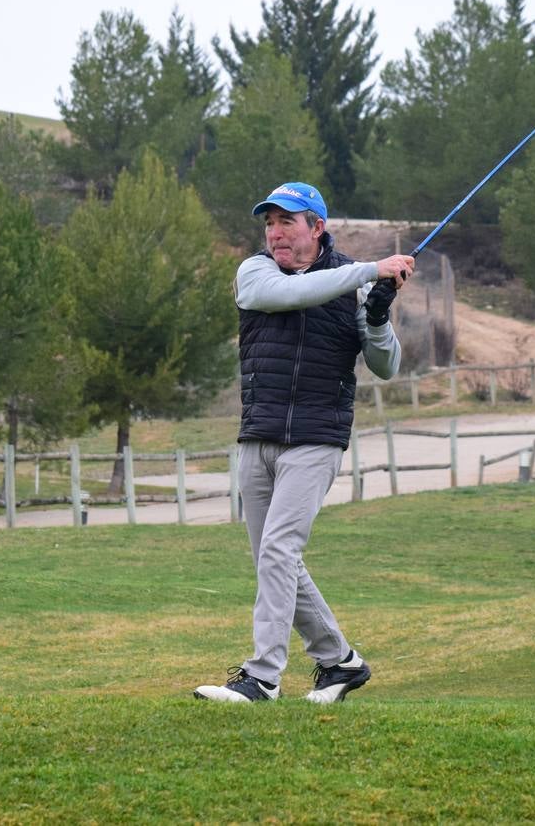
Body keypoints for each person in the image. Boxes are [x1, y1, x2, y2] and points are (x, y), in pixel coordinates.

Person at [194, 181, 414, 704]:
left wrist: (378, 317)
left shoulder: (356, 288)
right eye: (269, 223)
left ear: (317, 227)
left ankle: (262, 678)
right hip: (259, 435)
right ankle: (341, 663)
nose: (274, 234)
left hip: (316, 438)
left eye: (286, 222)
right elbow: (288, 295)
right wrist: (368, 272)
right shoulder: (255, 272)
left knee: (278, 551)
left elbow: (387, 365)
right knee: (275, 560)